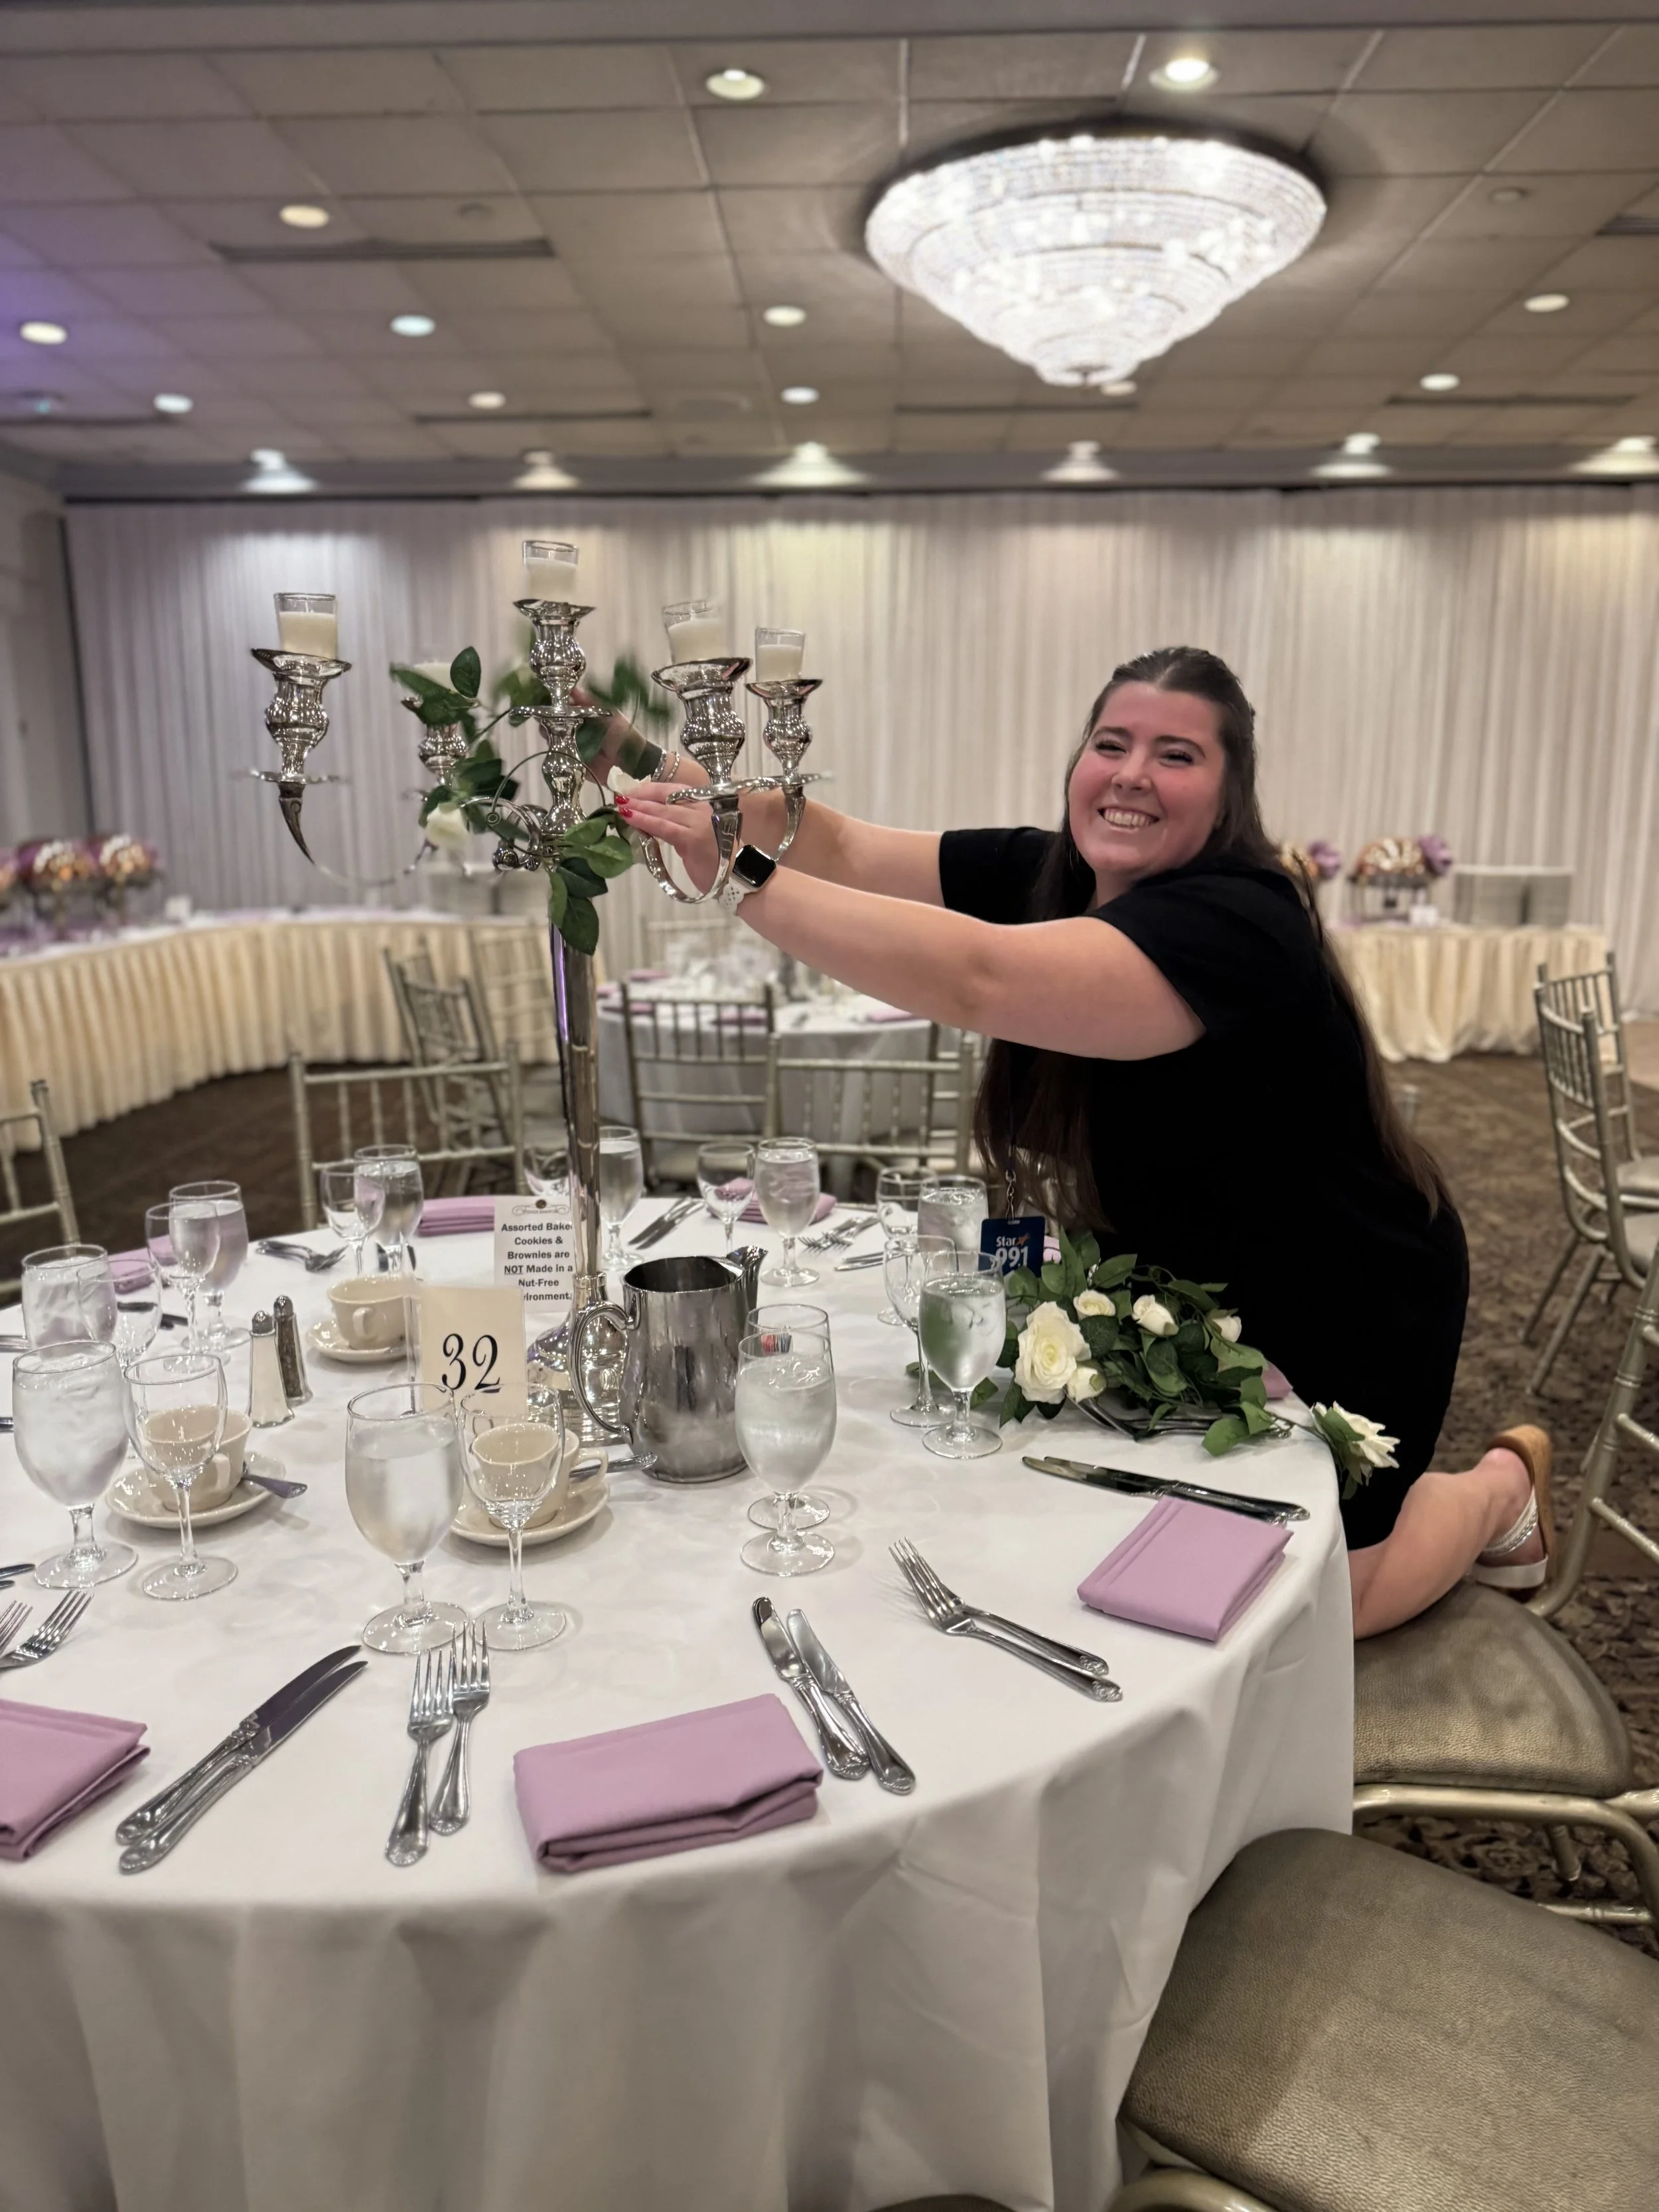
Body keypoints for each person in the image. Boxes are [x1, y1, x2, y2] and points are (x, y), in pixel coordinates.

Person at [595, 646, 1551, 1639]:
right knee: (1134, 1548)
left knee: (1309, 1607)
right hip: (1192, 1285)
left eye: (1176, 755)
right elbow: (829, 839)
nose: (1133, 772)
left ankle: (1499, 1487)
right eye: (1113, 742)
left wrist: (740, 879)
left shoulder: (1241, 921)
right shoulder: (1051, 870)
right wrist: (614, 749)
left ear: (1229, 796)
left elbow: (980, 979)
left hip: (1345, 1295)